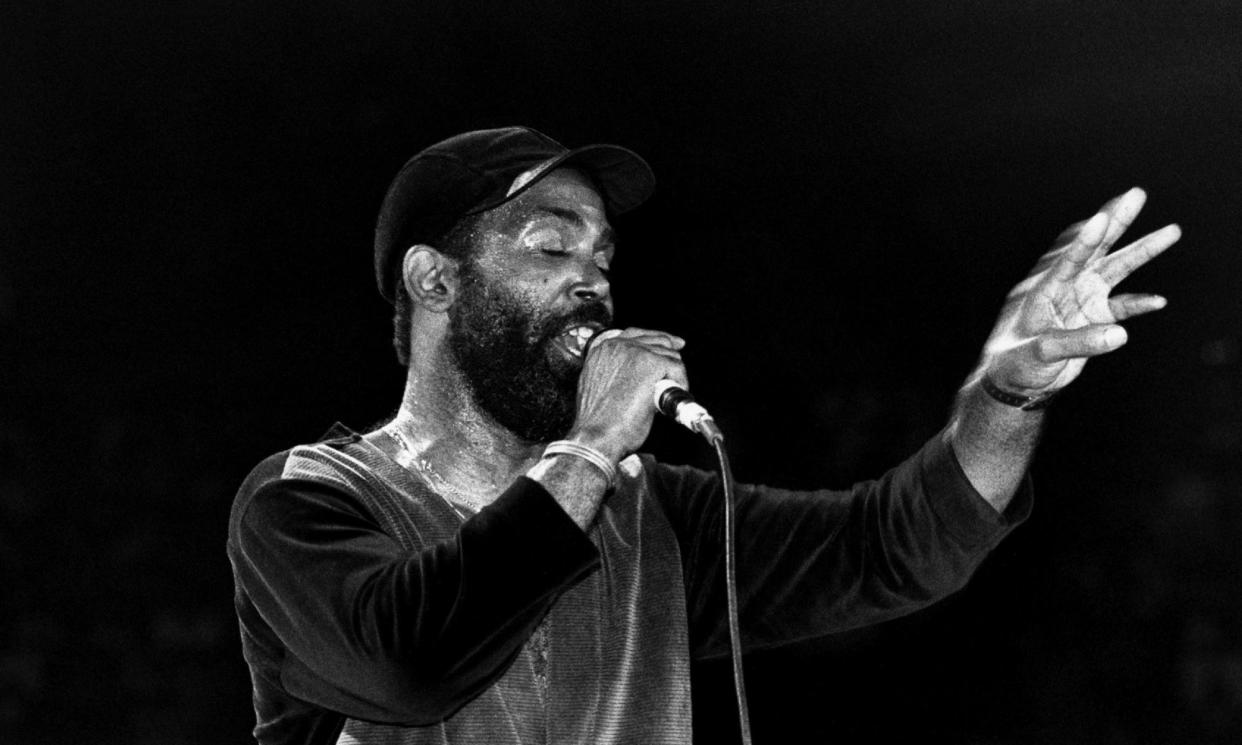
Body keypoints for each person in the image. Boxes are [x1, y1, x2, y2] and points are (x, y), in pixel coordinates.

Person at [227, 126, 1179, 744]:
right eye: (552, 246)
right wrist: (597, 435)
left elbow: (893, 548)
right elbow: (410, 661)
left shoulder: (648, 515)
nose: (593, 279)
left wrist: (1003, 397)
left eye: (602, 256)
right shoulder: (307, 499)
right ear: (435, 282)